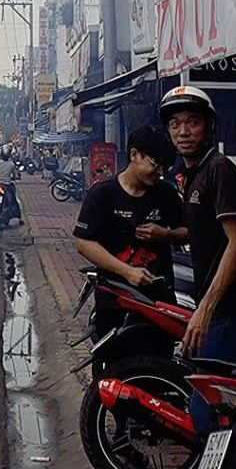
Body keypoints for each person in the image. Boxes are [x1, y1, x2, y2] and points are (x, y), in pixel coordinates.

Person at [160, 85, 236, 434]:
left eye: (193, 122)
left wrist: (205, 309)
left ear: (209, 127)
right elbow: (204, 232)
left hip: (233, 308)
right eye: (175, 124)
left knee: (206, 408)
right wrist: (167, 235)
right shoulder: (192, 174)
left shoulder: (220, 170)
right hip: (217, 307)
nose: (183, 131)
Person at [74, 126, 187, 339]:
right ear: (134, 155)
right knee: (114, 356)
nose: (160, 172)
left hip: (158, 299)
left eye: (164, 166)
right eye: (155, 164)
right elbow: (84, 244)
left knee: (157, 356)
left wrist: (167, 235)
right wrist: (127, 271)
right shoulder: (102, 193)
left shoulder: (166, 194)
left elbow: (187, 231)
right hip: (114, 298)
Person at [0, 144, 21, 222]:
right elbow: (15, 175)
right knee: (13, 200)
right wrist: (15, 177)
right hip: (6, 185)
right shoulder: (11, 164)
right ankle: (19, 218)